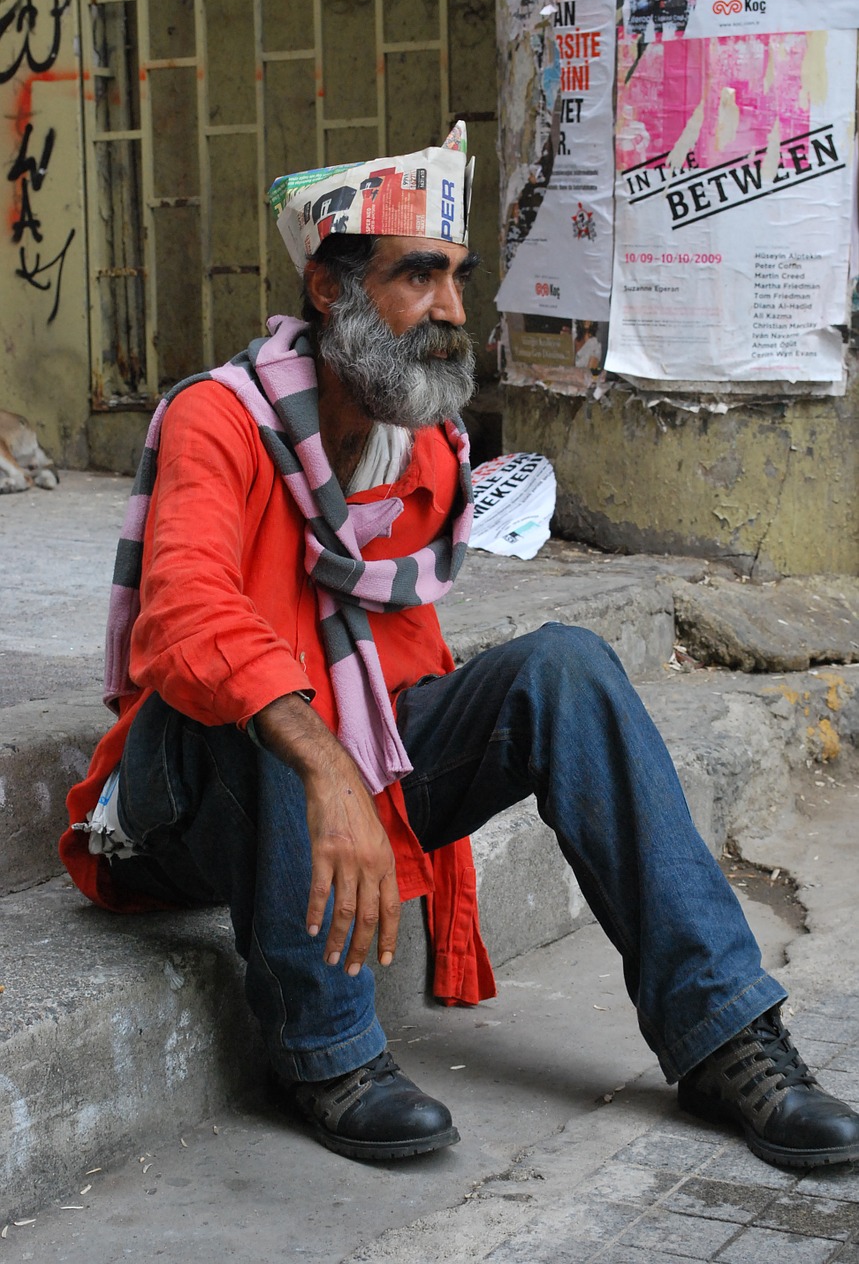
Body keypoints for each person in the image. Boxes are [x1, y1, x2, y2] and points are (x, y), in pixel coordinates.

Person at [63, 124, 859, 1170]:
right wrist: (323, 754)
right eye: (420, 277)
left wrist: (355, 757)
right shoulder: (221, 420)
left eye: (458, 279)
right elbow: (185, 618)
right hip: (191, 793)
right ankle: (329, 1051)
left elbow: (405, 667)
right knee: (262, 698)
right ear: (329, 289)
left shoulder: (425, 436)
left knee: (565, 666)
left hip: (365, 752)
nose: (450, 309)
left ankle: (724, 1034)